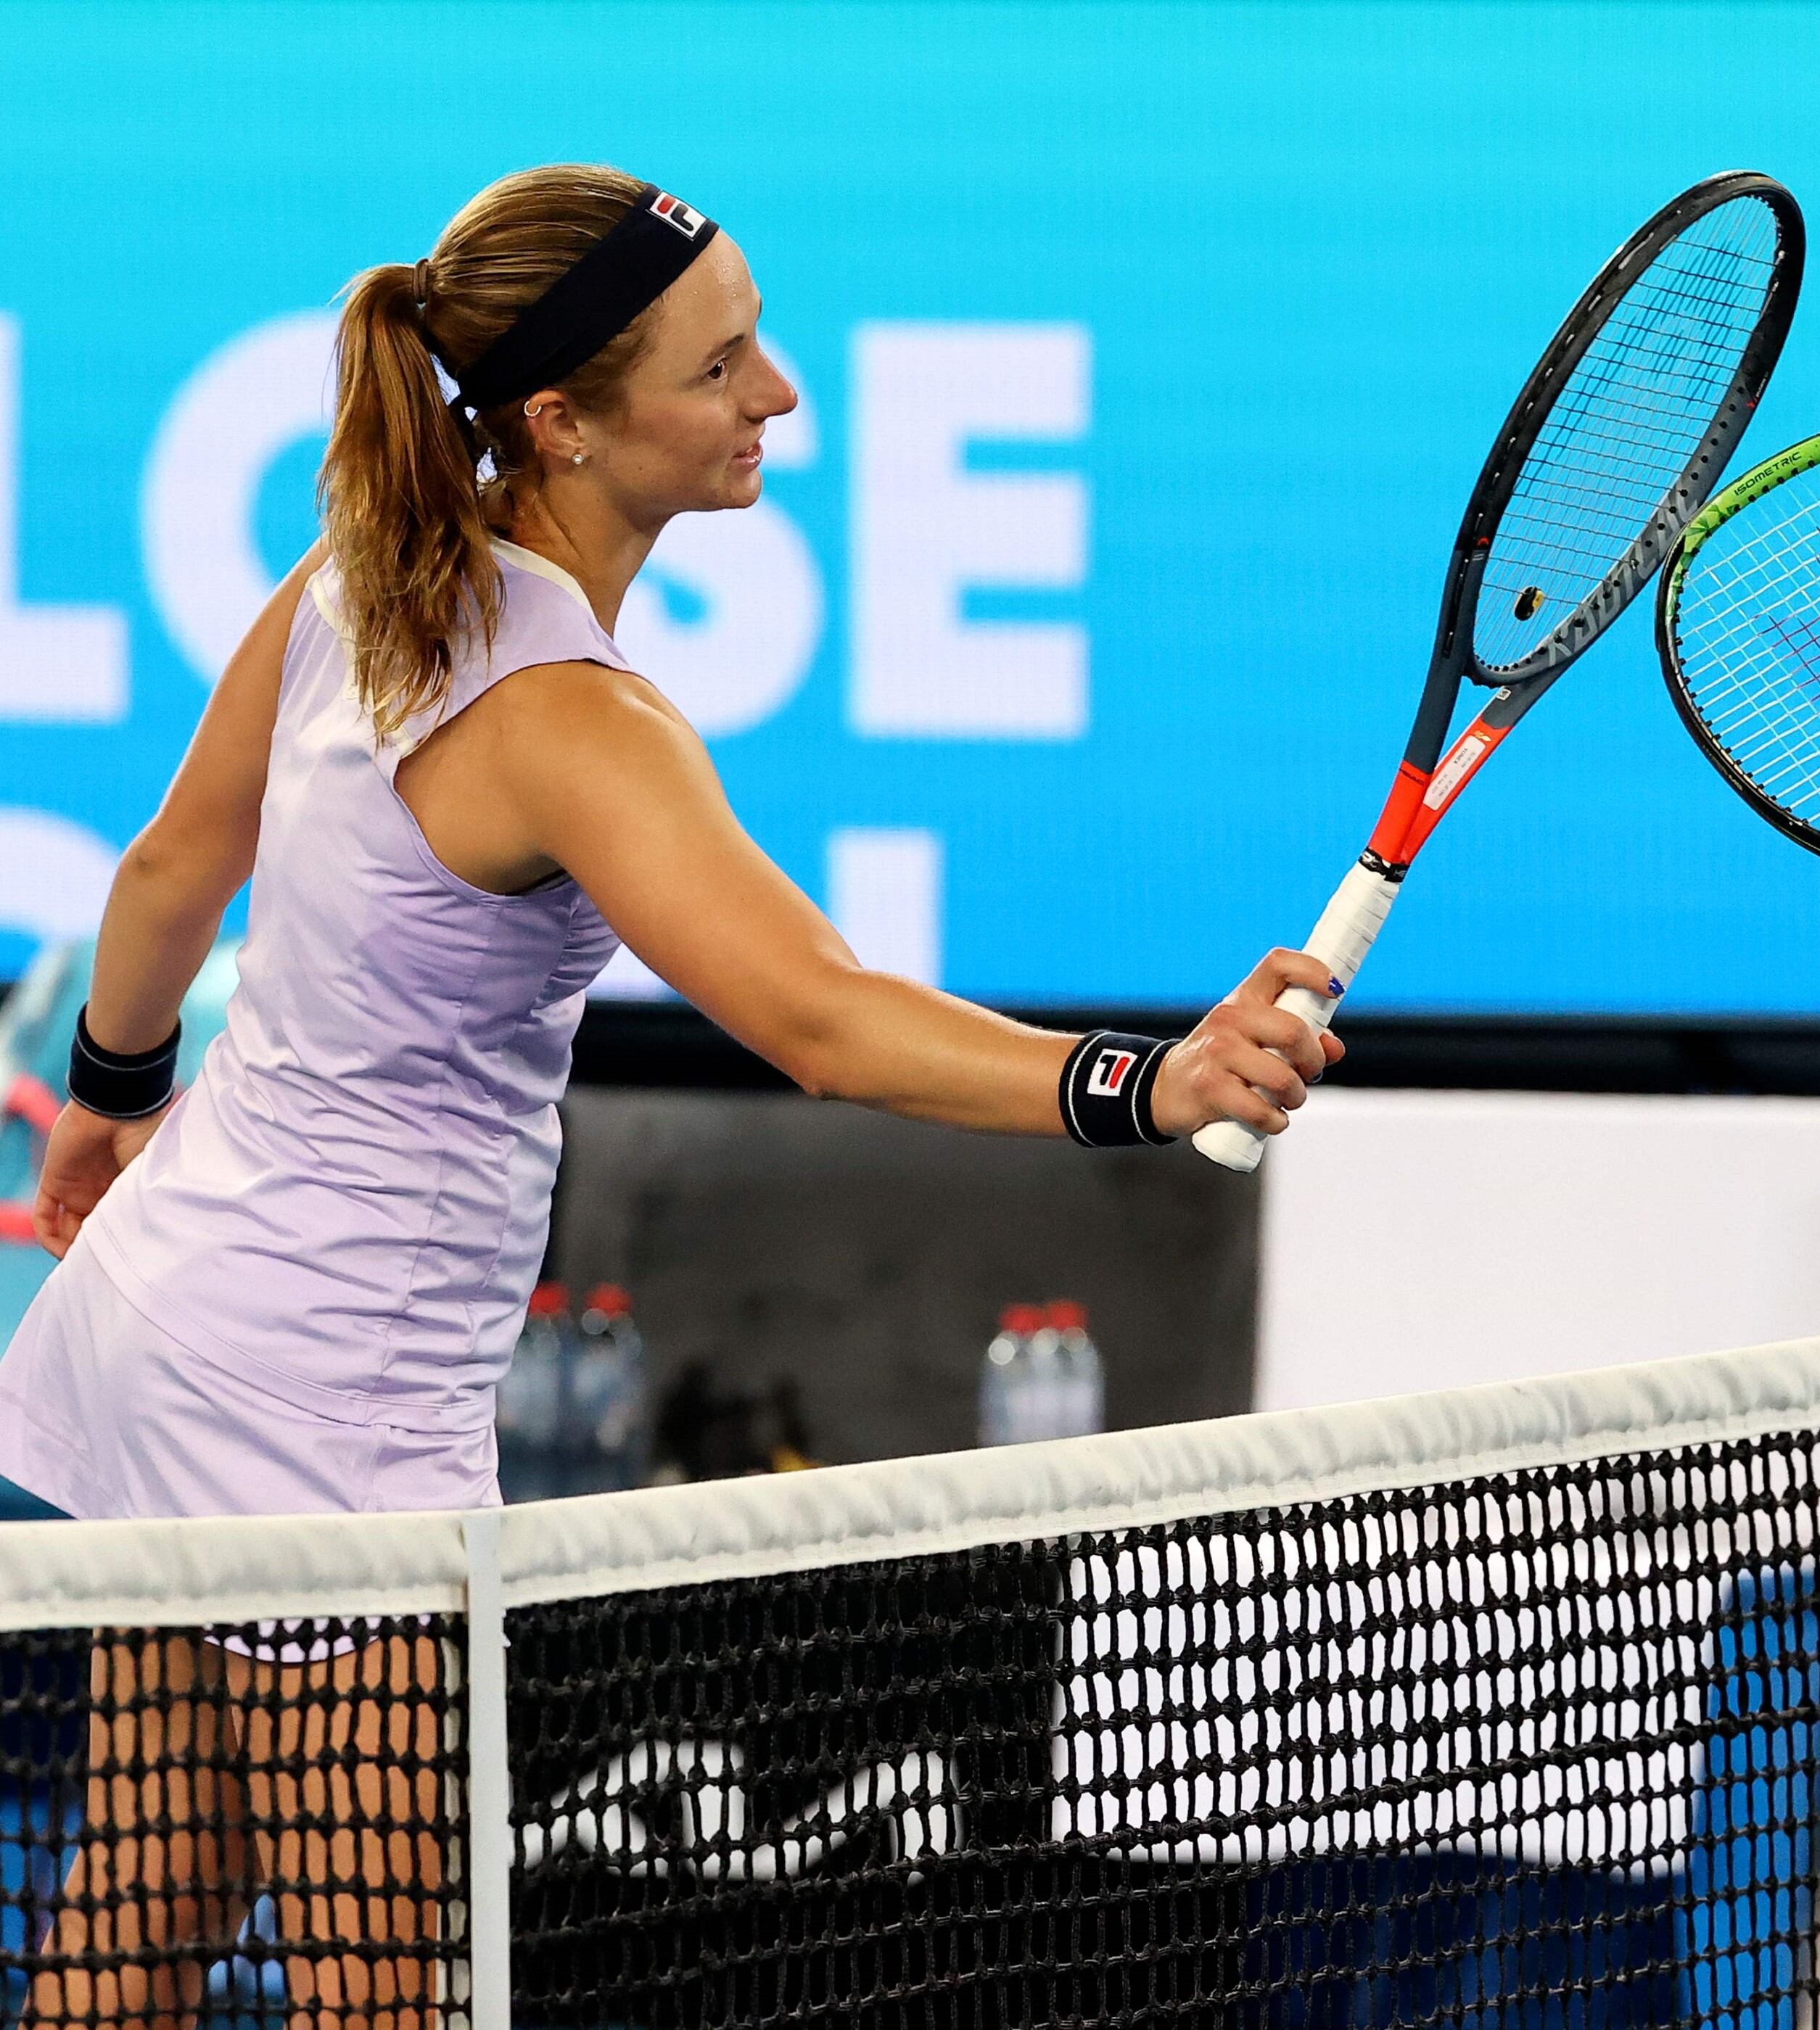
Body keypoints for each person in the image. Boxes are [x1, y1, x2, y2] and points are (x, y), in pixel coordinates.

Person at [0, 165, 1337, 2023]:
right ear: (564, 421)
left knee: (138, 1923)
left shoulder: (356, 582)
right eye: (721, 368)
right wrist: (1147, 1077)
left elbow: (162, 875)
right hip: (327, 1394)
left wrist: (105, 1097)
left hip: (158, 1306)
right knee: (395, 1996)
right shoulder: (573, 720)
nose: (777, 393)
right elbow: (824, 1018)